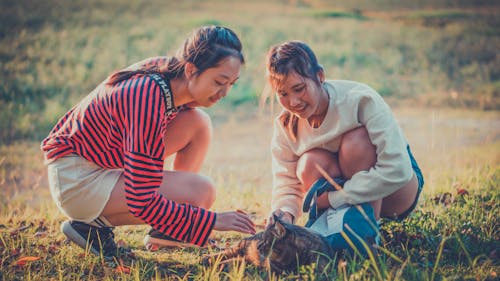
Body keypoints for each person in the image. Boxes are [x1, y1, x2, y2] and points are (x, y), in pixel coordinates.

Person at [41, 26, 256, 259]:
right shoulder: (147, 97)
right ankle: (90, 226)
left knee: (198, 123)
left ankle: (168, 230)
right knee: (201, 192)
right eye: (219, 81)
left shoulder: (170, 76)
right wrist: (212, 220)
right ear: (191, 70)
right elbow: (140, 199)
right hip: (77, 180)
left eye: (231, 84)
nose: (224, 92)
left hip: (100, 162)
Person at [265, 40, 424, 230]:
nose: (293, 102)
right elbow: (286, 182)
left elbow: (398, 169)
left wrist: (334, 199)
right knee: (309, 163)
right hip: (342, 195)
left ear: (320, 76)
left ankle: (364, 235)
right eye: (282, 94)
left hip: (396, 192)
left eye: (299, 89)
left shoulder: (360, 100)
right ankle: (337, 231)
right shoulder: (285, 124)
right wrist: (284, 214)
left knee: (356, 143)